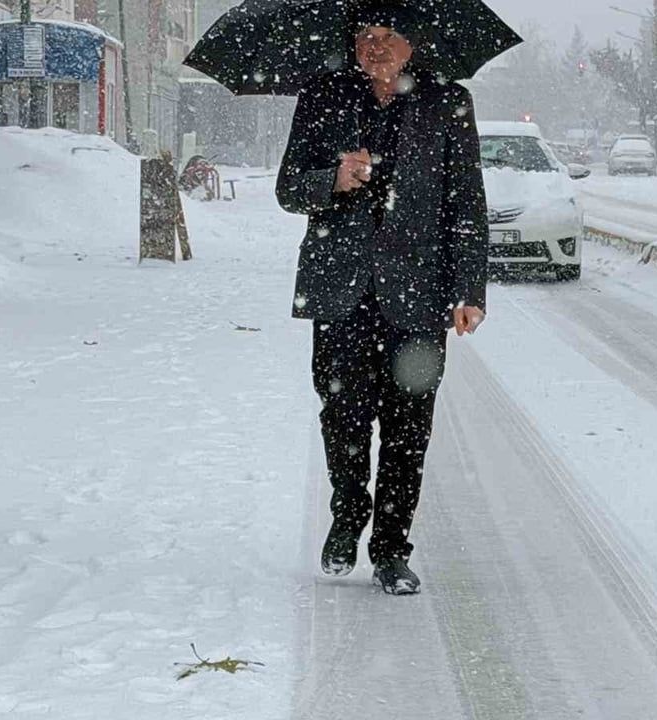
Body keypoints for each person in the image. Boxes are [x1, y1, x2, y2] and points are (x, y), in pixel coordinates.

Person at [275, 4, 488, 596]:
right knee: (341, 413)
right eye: (365, 36)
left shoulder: (448, 103)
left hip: (417, 295)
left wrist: (469, 290)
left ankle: (391, 548)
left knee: (408, 426)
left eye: (387, 36)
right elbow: (289, 188)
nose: (374, 47)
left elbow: (466, 205)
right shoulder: (324, 97)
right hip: (341, 289)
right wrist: (332, 180)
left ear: (412, 44)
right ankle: (348, 516)